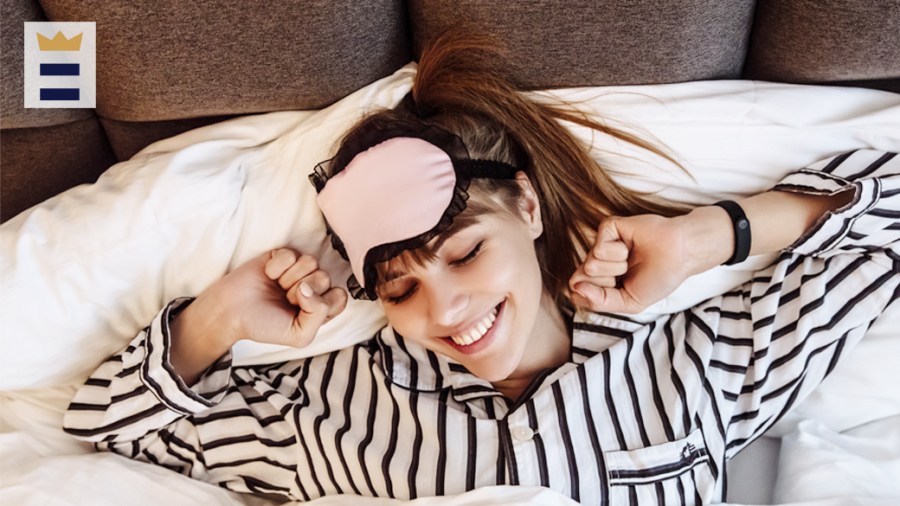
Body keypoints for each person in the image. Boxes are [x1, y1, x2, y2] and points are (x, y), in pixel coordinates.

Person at [63, 32, 899, 505]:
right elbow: (108, 426)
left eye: (465, 251)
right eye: (400, 288)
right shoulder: (332, 412)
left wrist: (709, 236)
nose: (449, 307)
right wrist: (219, 316)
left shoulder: (699, 366)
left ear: (528, 210)